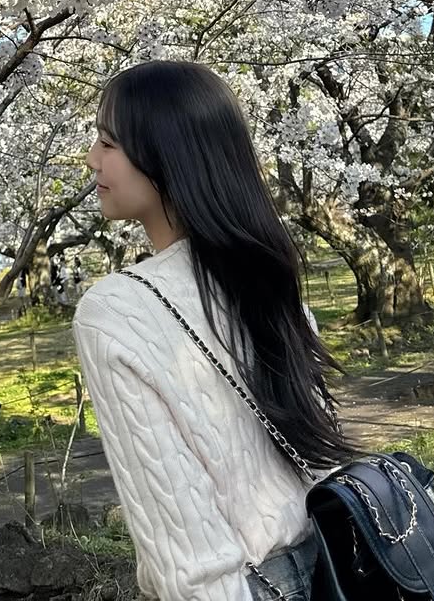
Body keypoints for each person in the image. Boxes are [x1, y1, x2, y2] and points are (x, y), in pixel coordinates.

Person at [73, 60, 352, 601]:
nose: (92, 160)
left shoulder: (114, 311)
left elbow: (189, 559)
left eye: (108, 143)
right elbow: (320, 458)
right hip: (332, 564)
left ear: (167, 154)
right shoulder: (265, 276)